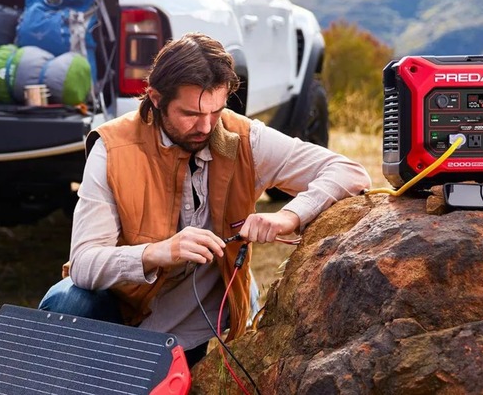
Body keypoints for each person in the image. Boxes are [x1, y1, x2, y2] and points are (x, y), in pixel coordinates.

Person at [39, 32, 370, 368]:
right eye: (191, 114)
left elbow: (349, 173)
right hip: (122, 306)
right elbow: (82, 264)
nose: (206, 125)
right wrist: (160, 252)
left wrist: (288, 216)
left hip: (193, 317)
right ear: (155, 97)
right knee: (68, 303)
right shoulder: (112, 149)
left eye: (216, 110)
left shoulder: (240, 136)